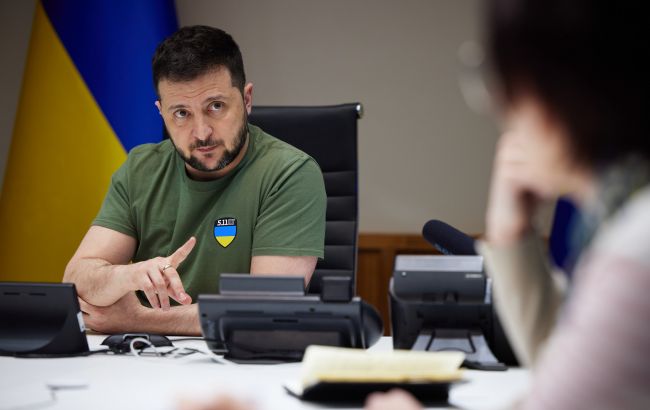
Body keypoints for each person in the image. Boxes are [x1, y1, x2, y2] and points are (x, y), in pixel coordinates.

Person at [366, 0, 650, 409]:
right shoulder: (621, 221)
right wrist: (511, 237)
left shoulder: (635, 255)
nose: (501, 111)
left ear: (551, 90)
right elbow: (567, 375)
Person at [63, 25, 326, 336]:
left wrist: (135, 319)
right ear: (161, 112)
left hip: (241, 357)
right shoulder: (140, 168)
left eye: (216, 107)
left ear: (247, 99)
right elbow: (76, 279)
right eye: (181, 113)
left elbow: (267, 307)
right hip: (146, 357)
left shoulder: (290, 173)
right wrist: (126, 276)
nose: (201, 133)